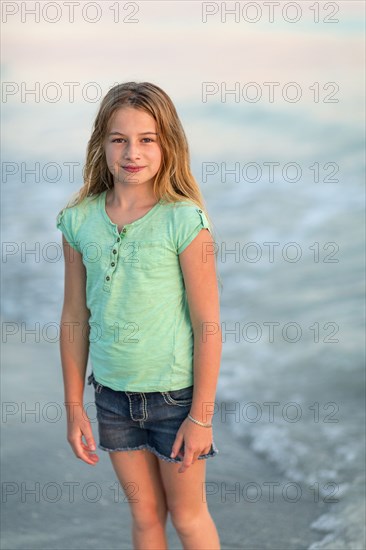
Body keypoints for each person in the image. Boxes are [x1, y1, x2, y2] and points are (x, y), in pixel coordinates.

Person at [56, 81, 222, 550]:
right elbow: (73, 317)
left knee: (188, 518)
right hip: (111, 396)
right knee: (146, 517)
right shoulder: (78, 220)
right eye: (119, 139)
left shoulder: (183, 220)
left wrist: (202, 417)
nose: (133, 152)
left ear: (167, 144)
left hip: (177, 398)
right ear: (101, 144)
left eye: (147, 139)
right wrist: (74, 409)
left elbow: (208, 325)